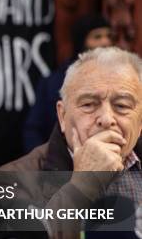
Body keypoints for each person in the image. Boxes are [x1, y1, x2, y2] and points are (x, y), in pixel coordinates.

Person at [0, 46, 142, 239]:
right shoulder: (14, 179)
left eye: (123, 106)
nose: (106, 118)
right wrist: (83, 184)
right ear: (62, 116)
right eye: (89, 105)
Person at [23, 14, 113, 152]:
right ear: (81, 42)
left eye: (109, 36)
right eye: (97, 37)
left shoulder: (120, 79)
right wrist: (46, 162)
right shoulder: (54, 82)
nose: (105, 42)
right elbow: (33, 129)